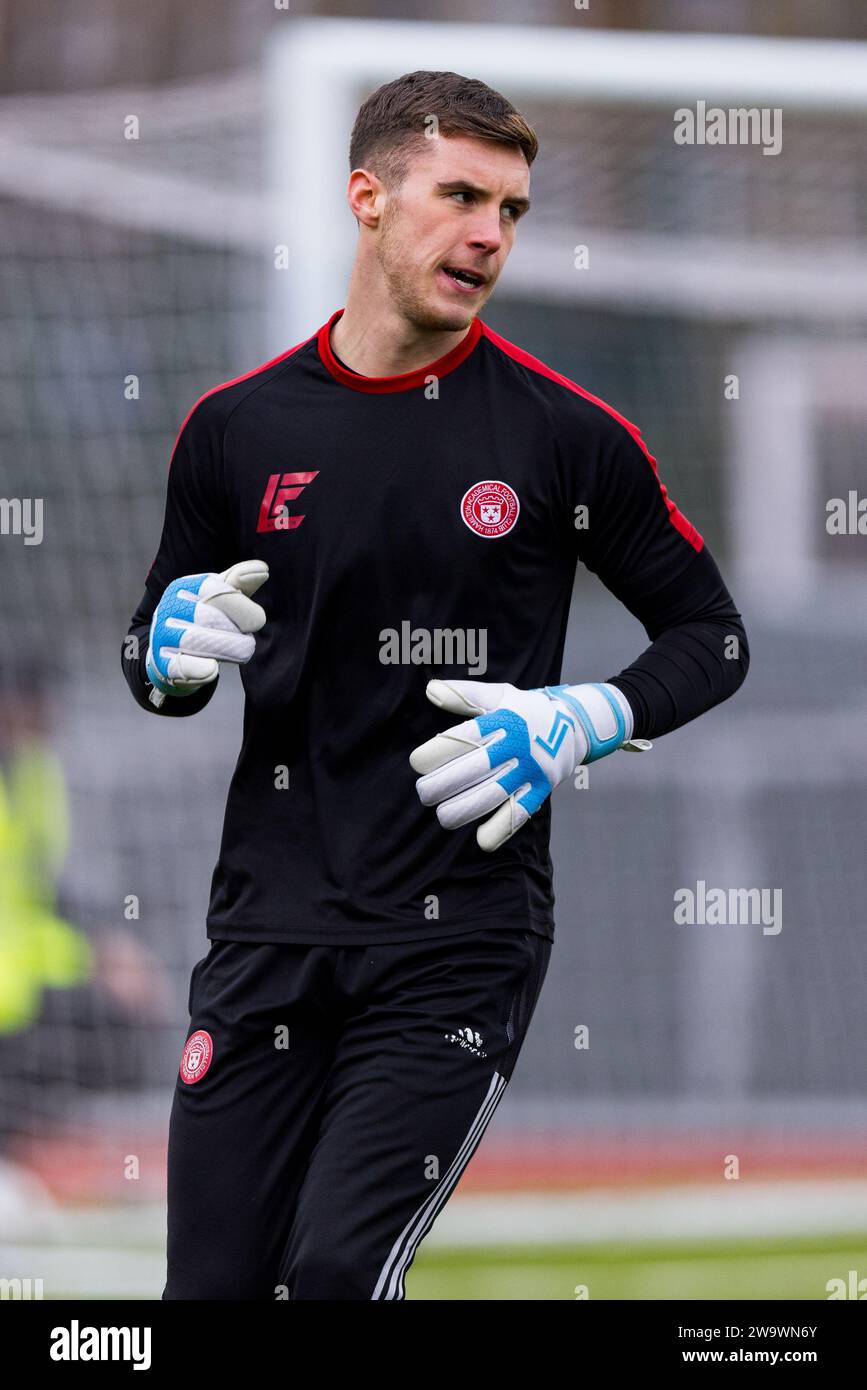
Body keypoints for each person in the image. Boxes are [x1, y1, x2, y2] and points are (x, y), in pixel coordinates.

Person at [122, 70, 748, 1301]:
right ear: (368, 197)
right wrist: (160, 652)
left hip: (456, 940)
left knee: (340, 1277)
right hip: (267, 932)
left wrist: (590, 715)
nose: (489, 235)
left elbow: (711, 635)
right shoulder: (231, 430)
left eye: (511, 209)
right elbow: (161, 656)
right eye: (460, 195)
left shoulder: (565, 437)